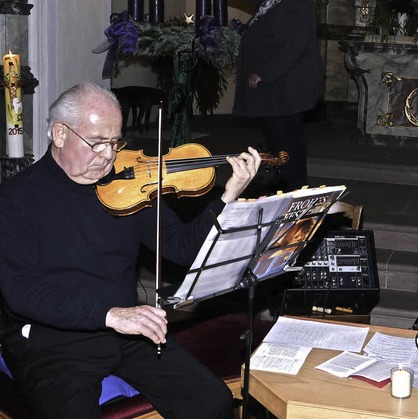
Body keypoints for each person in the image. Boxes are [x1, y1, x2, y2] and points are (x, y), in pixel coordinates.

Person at [0, 82, 262, 418]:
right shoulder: (16, 199)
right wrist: (111, 315)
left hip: (126, 333)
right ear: (60, 134)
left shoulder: (129, 186)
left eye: (115, 142)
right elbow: (22, 293)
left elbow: (182, 248)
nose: (108, 155)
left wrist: (227, 197)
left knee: (213, 401)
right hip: (53, 343)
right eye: (96, 143)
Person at [233, 0, 324, 192]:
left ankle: (293, 189)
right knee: (280, 141)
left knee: (288, 143)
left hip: (288, 91)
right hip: (278, 92)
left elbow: (294, 46)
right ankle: (286, 186)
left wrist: (265, 73)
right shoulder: (273, 5)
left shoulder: (293, 6)